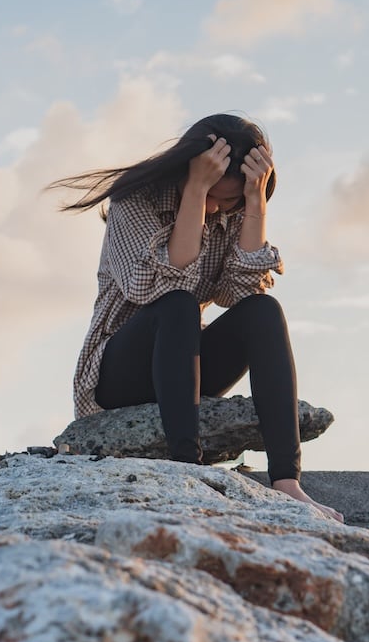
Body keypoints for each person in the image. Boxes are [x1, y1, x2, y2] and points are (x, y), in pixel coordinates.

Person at [51, 113, 342, 522]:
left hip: (183, 368)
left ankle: (287, 482)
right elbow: (151, 287)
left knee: (264, 310)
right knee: (178, 304)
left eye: (229, 201)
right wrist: (195, 194)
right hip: (117, 374)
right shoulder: (134, 201)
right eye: (214, 195)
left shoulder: (238, 207)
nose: (218, 207)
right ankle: (186, 466)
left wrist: (255, 204)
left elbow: (239, 293)